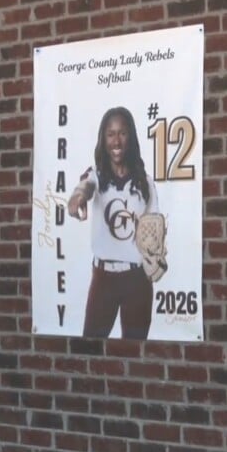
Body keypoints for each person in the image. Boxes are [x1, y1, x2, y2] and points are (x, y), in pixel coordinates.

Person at [68, 107, 162, 340]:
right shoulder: (96, 175)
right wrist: (77, 199)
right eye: (110, 134)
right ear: (103, 138)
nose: (116, 140)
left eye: (122, 133)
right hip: (104, 279)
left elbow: (154, 230)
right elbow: (85, 188)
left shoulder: (145, 183)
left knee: (134, 353)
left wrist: (155, 254)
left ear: (130, 136)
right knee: (90, 348)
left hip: (137, 279)